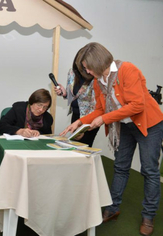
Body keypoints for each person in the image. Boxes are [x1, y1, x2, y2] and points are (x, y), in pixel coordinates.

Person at [60, 42, 163, 236]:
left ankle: (148, 216)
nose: (87, 70)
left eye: (88, 66)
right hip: (123, 125)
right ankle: (113, 208)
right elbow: (99, 109)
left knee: (149, 170)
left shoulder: (128, 70)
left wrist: (103, 119)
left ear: (98, 62)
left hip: (148, 124)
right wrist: (80, 122)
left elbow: (136, 106)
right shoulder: (99, 81)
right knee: (120, 166)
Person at [54, 49, 100, 147]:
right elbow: (73, 95)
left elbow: (96, 102)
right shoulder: (72, 72)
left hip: (90, 117)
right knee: (74, 145)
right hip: (75, 114)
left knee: (84, 146)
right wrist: (64, 93)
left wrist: (83, 125)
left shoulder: (95, 76)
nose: (84, 68)